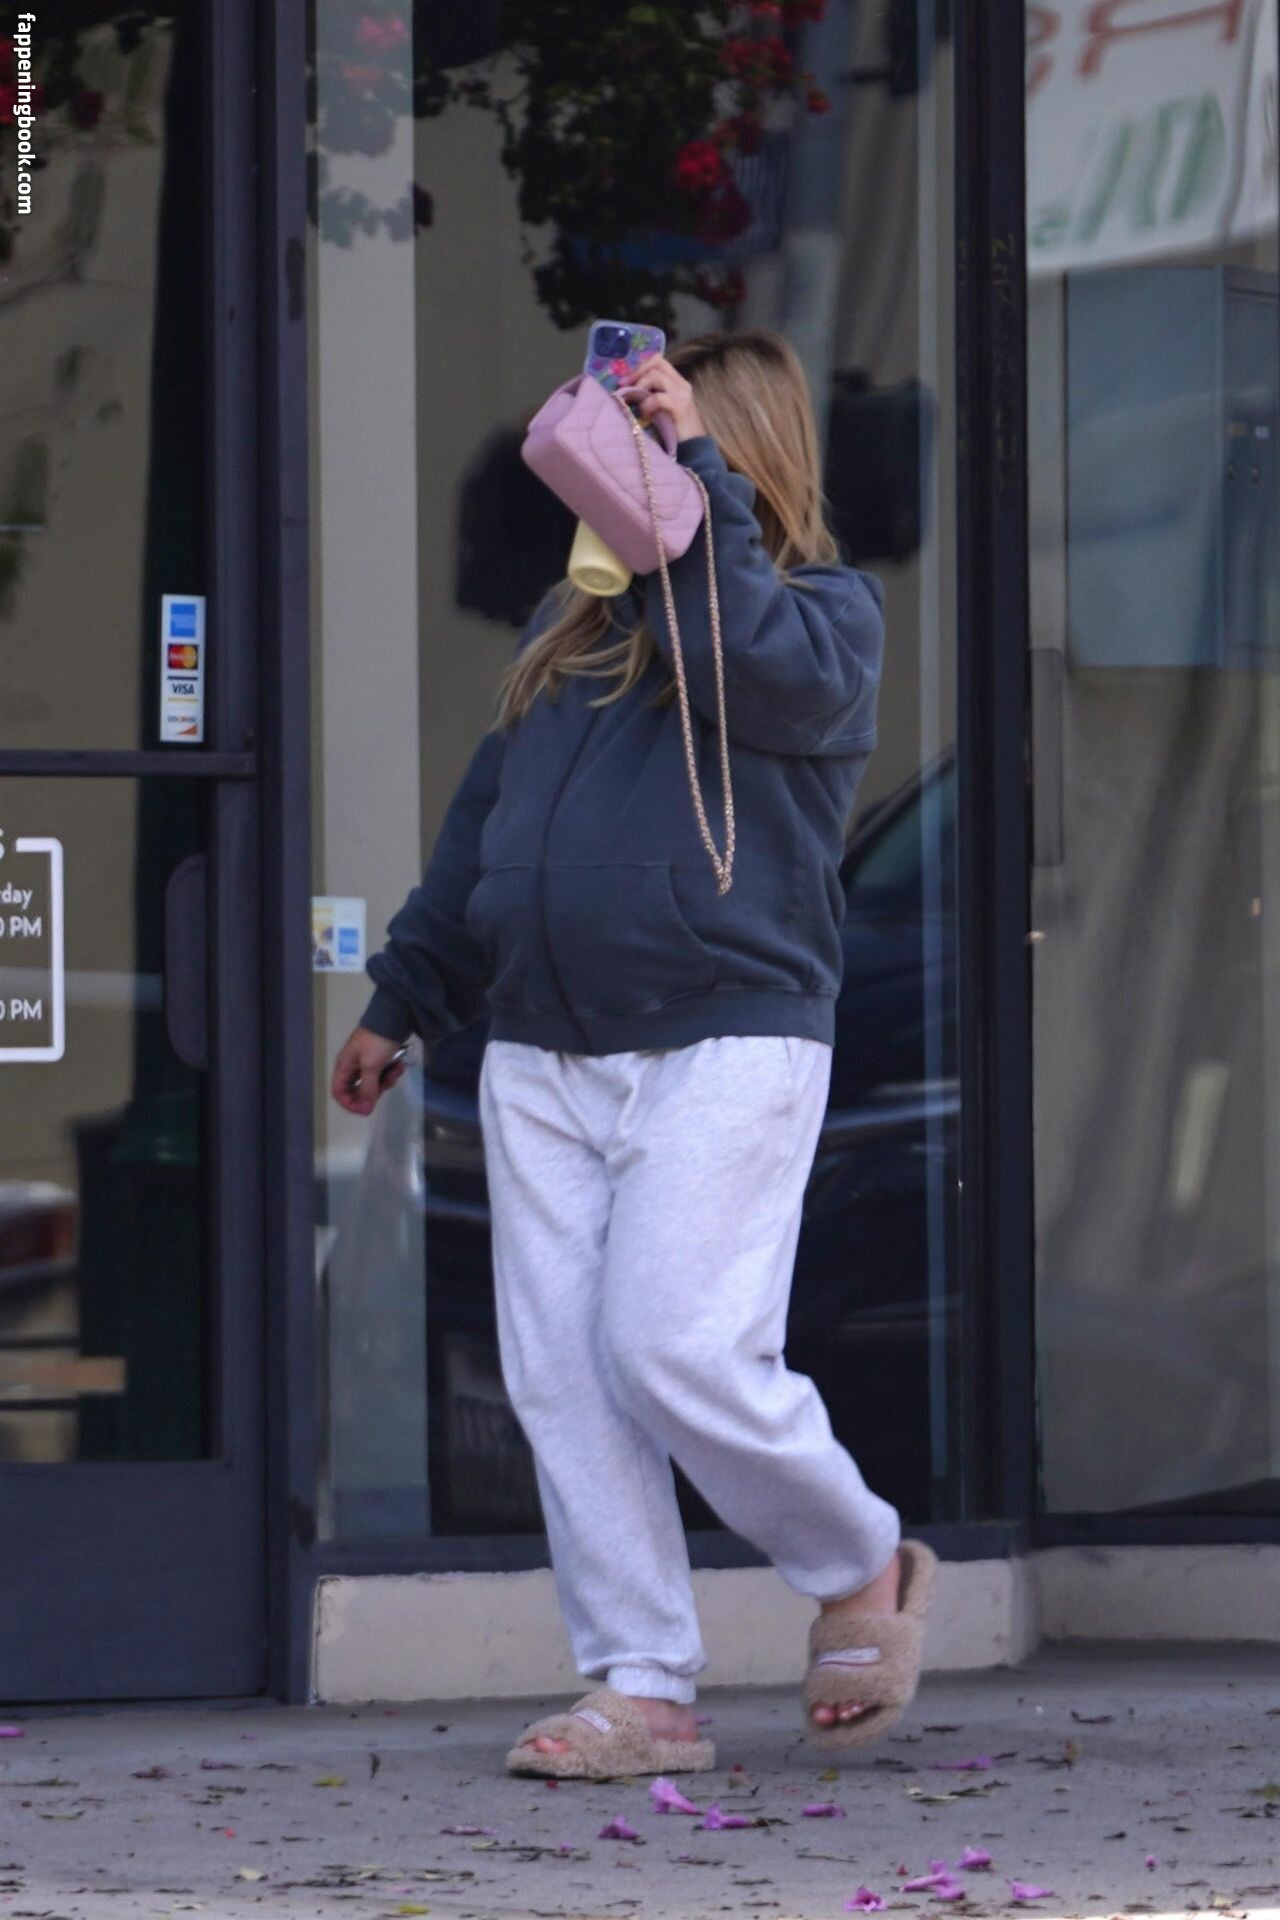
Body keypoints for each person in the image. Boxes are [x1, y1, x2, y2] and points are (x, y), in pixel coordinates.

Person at [331, 328, 938, 1780]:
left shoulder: (822, 619)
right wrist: (404, 995)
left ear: (739, 450)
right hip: (542, 1050)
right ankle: (642, 1685)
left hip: (728, 1036)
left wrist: (695, 486)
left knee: (674, 1346)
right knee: (560, 1376)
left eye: (656, 434)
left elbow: (747, 663)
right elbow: (485, 834)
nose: (626, 463)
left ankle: (860, 1559)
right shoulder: (572, 630)